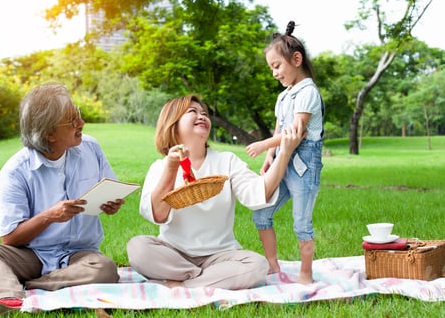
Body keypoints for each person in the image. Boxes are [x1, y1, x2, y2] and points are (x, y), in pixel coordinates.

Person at [0, 82, 125, 317]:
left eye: (78, 114)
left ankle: (28, 289)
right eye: (72, 120)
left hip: (79, 255)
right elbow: (9, 238)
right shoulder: (14, 174)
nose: (81, 123)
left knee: (104, 268)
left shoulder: (91, 148)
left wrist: (111, 204)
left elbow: (110, 188)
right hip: (33, 255)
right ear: (49, 134)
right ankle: (6, 301)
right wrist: (49, 216)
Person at [127, 95, 304, 290]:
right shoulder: (160, 167)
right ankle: (205, 280)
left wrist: (285, 152)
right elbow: (159, 215)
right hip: (174, 253)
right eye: (192, 112)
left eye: (204, 113)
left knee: (258, 266)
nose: (202, 116)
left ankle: (180, 285)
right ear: (172, 124)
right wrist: (171, 167)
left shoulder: (227, 161)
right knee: (137, 247)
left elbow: (259, 193)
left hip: (220, 256)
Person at [245, 21, 324, 284]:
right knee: (262, 214)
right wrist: (270, 157)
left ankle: (306, 273)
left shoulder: (308, 93)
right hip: (282, 162)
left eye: (276, 66)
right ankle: (272, 265)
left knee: (301, 223)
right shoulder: (284, 96)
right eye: (271, 68)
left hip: (303, 167)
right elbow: (280, 127)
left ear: (296, 59)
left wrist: (262, 145)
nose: (274, 73)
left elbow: (296, 133)